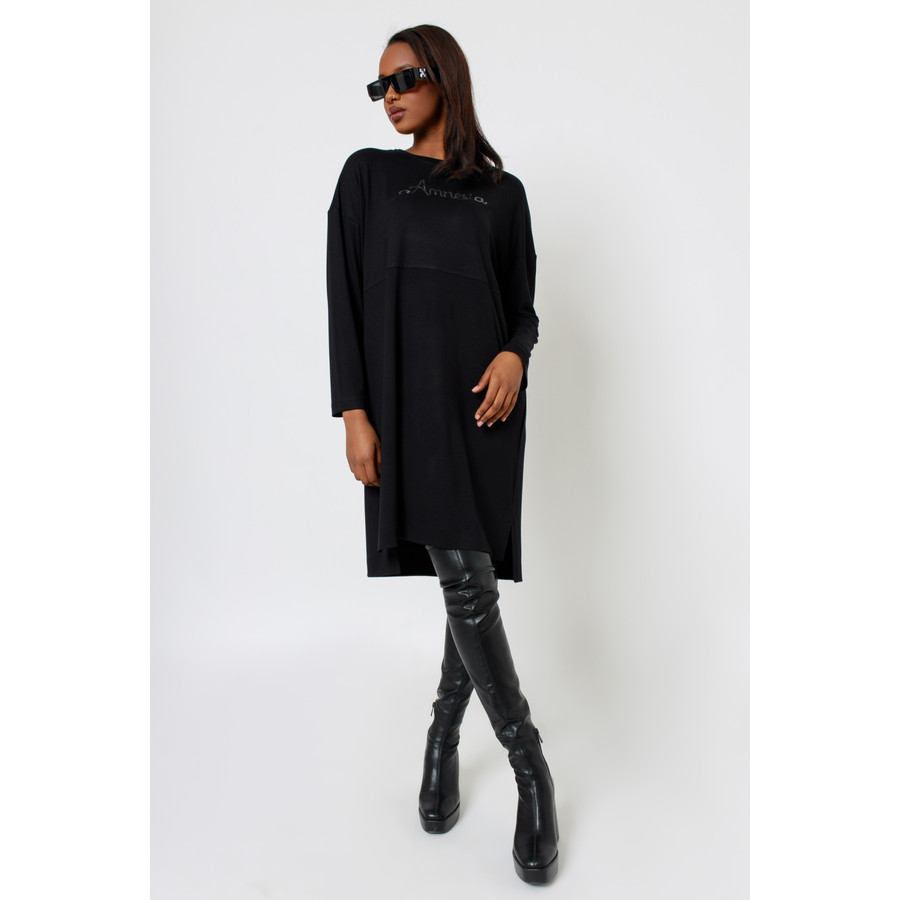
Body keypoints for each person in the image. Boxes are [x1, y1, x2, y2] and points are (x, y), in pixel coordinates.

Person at [326, 24, 559, 885]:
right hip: (406, 411)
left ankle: (442, 737)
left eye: (405, 78)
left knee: (470, 581)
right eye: (379, 85)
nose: (389, 96)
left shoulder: (503, 194)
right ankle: (532, 768)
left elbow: (523, 310)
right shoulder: (367, 176)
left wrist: (515, 356)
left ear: (445, 78)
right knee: (466, 580)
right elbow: (343, 298)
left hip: (484, 411)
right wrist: (354, 410)